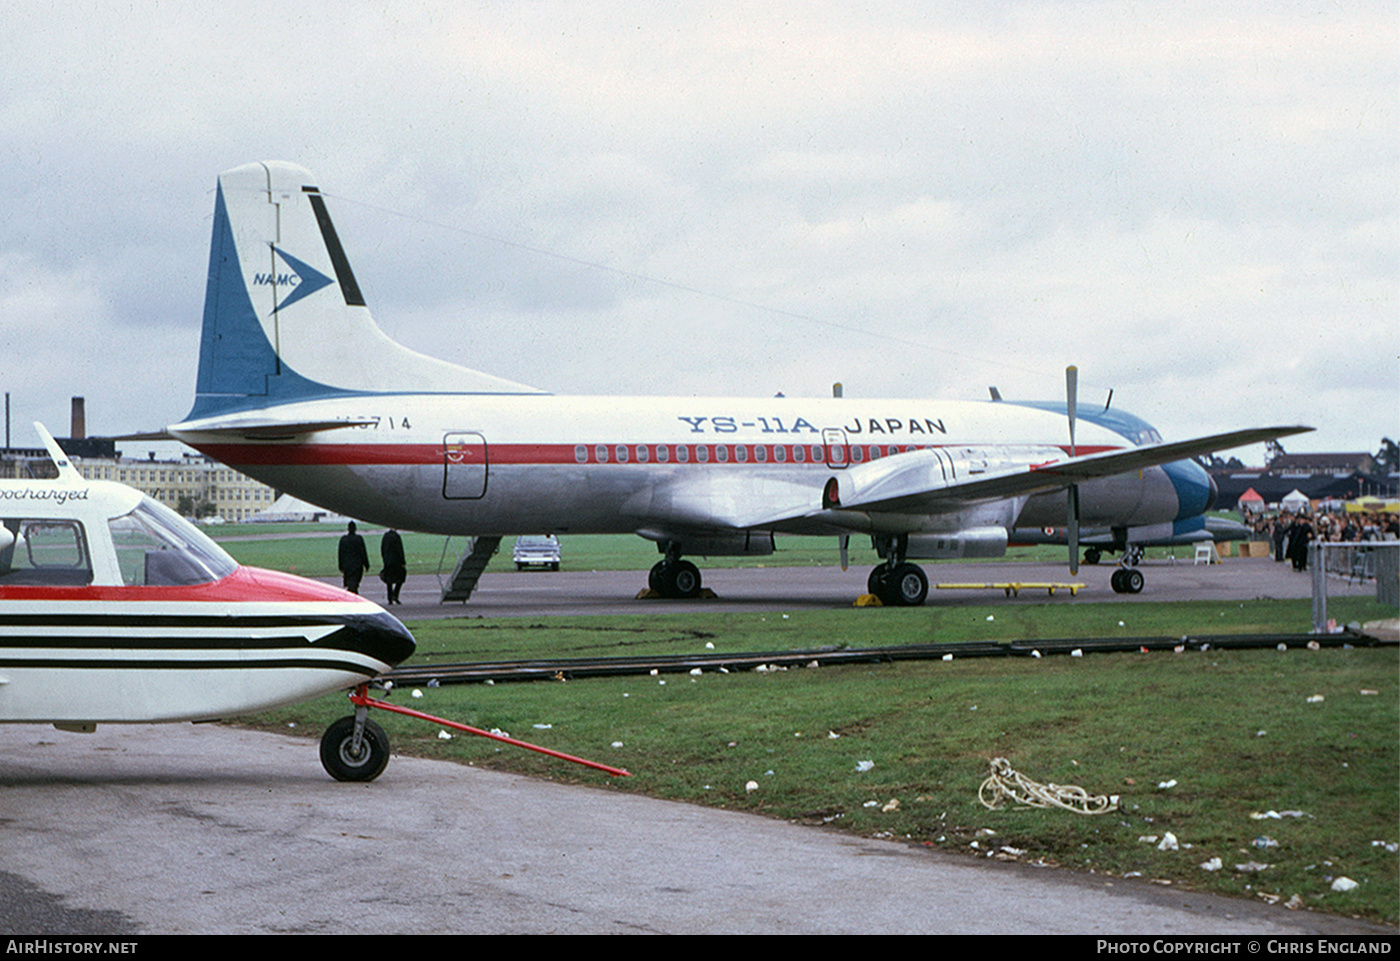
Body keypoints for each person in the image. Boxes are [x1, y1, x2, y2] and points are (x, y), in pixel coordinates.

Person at [338, 521, 370, 594]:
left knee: (351, 583)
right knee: (355, 583)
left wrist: (340, 566)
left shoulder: (343, 540)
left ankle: (352, 594)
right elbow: (363, 552)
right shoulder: (359, 539)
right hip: (357, 565)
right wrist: (366, 564)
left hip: (347, 565)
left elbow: (340, 554)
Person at [380, 528, 406, 605]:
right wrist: (402, 561)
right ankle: (395, 594)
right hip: (396, 561)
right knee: (400, 579)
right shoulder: (396, 537)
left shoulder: (385, 537)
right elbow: (399, 549)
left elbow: (382, 549)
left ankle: (390, 598)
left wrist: (384, 559)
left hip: (388, 561)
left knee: (389, 581)